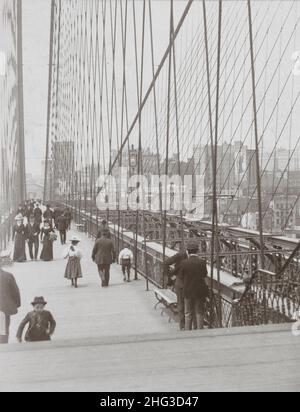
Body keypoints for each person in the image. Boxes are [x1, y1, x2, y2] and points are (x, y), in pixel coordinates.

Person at [180, 242, 208, 331]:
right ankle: (200, 330)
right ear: (197, 251)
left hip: (187, 291)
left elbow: (181, 276)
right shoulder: (202, 262)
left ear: (188, 251)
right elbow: (204, 275)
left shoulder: (184, 263)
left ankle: (188, 331)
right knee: (199, 312)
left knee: (188, 312)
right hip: (199, 291)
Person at [164, 247, 189, 331]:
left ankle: (188, 325)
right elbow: (166, 263)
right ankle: (182, 325)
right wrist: (170, 277)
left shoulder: (192, 256)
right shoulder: (180, 255)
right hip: (181, 283)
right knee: (181, 304)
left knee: (185, 304)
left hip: (188, 283)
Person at [0, 255, 21, 344]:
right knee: (3, 331)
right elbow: (15, 292)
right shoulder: (8, 276)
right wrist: (17, 303)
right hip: (4, 309)